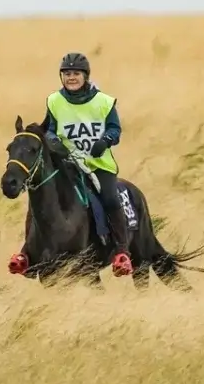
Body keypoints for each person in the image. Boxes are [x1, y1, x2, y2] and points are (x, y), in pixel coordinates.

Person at [18, 51, 132, 277]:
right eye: (67, 73)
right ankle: (28, 253)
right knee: (40, 196)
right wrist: (51, 140)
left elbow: (115, 129)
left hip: (98, 165)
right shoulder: (54, 101)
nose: (71, 78)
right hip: (67, 163)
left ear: (86, 76)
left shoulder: (103, 101)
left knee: (109, 198)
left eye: (76, 74)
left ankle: (121, 251)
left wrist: (105, 141)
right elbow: (50, 128)